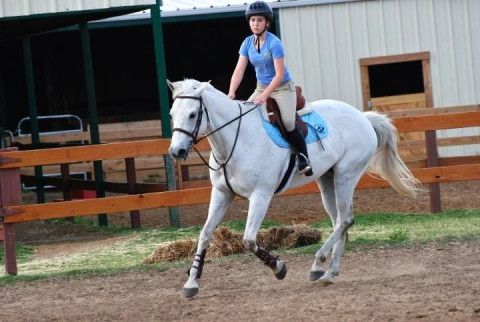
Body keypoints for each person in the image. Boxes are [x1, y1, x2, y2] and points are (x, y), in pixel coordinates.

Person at [227, 1, 312, 176]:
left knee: (288, 122)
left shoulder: (275, 43)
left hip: (282, 87)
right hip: (261, 86)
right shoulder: (247, 43)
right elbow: (239, 69)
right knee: (246, 116)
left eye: (259, 20)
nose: (255, 24)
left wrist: (265, 95)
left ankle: (304, 158)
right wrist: (232, 91)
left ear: (267, 22)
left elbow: (279, 74)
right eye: (252, 20)